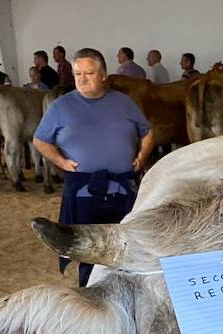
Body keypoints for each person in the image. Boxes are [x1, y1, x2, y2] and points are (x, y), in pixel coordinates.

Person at [32, 47, 153, 287]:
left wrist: (142, 156)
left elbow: (147, 132)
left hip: (122, 190)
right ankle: (90, 294)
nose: (82, 79)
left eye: (88, 73)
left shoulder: (124, 103)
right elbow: (40, 140)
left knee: (126, 247)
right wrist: (61, 161)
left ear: (103, 75)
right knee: (88, 250)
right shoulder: (61, 106)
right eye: (78, 73)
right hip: (83, 192)